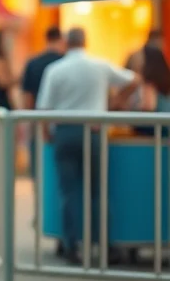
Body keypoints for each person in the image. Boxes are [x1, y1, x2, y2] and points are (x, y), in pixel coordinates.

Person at [35, 27, 138, 264]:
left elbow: (43, 108)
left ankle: (71, 246)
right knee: (98, 192)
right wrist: (115, 102)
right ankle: (106, 247)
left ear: (66, 44)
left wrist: (47, 133)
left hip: (65, 132)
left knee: (68, 192)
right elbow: (135, 79)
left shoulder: (55, 70)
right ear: (85, 42)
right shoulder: (100, 65)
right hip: (95, 131)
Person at [20, 27, 64, 177]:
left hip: (38, 118)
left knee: (38, 165)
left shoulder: (33, 63)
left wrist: (32, 118)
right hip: (61, 120)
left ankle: (39, 193)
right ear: (61, 40)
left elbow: (28, 97)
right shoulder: (63, 62)